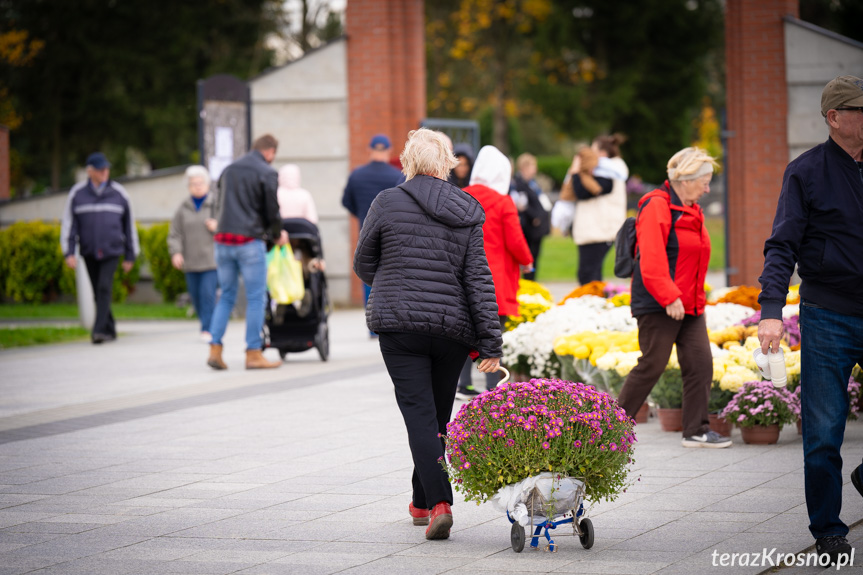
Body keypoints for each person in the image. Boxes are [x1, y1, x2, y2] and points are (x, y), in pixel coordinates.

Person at [353, 128, 503, 540]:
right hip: (452, 330)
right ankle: (421, 503)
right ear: (447, 164)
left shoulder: (387, 201)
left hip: (400, 326)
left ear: (407, 161)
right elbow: (478, 280)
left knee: (420, 416)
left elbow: (363, 261)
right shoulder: (467, 208)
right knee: (437, 417)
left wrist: (389, 280)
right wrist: (489, 343)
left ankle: (438, 502)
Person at [757, 75, 863, 566]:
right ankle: (829, 530)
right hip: (827, 315)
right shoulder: (806, 172)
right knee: (823, 433)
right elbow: (782, 245)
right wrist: (772, 312)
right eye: (859, 110)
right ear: (834, 118)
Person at [615, 147, 730, 449]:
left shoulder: (691, 209)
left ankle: (696, 430)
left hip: (689, 304)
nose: (708, 188)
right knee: (652, 364)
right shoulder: (657, 205)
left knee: (700, 364)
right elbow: (651, 259)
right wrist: (669, 297)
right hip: (658, 303)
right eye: (704, 181)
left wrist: (691, 299)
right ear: (685, 179)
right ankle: (609, 429)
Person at [456, 146, 533, 399]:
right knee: (493, 333)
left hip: (463, 275)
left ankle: (464, 383)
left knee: (466, 331)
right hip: (495, 278)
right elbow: (515, 241)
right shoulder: (503, 202)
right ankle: (492, 386)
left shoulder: (462, 195)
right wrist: (527, 261)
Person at [207, 134, 288, 371]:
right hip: (248, 242)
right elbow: (272, 210)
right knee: (256, 297)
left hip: (222, 240)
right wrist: (277, 234)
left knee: (227, 296)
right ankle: (253, 353)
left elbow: (220, 203)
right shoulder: (267, 172)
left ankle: (215, 348)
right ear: (271, 152)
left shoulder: (229, 170)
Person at [60, 152, 139, 344]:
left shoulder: (119, 193)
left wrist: (130, 255)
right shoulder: (77, 194)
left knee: (104, 287)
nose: (104, 172)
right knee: (98, 291)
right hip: (89, 251)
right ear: (90, 171)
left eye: (106, 168)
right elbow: (69, 225)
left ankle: (98, 330)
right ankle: (110, 329)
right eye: (100, 169)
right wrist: (69, 252)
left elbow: (129, 226)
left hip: (112, 250)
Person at [341, 134, 404, 315]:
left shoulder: (356, 176)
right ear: (389, 150)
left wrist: (362, 215)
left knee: (368, 273)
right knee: (392, 273)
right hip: (392, 232)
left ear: (369, 150)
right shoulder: (396, 176)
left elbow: (346, 202)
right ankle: (390, 315)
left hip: (366, 230)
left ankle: (372, 321)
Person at [562, 135, 629, 285]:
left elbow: (582, 192)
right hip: (599, 229)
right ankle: (595, 304)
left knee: (588, 275)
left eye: (593, 149)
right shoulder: (610, 169)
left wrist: (575, 172)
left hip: (598, 230)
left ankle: (592, 305)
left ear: (603, 153)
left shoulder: (606, 170)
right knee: (592, 273)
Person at [168, 165, 219, 343]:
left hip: (211, 261)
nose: (197, 186)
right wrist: (176, 253)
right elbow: (175, 233)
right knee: (196, 297)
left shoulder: (215, 204)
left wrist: (217, 227)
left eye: (200, 183)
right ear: (188, 186)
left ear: (207, 184)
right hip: (190, 261)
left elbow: (229, 229)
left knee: (208, 295)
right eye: (193, 183)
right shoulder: (183, 208)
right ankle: (206, 325)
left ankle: (208, 329)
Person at [512, 153, 550, 280]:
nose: (535, 169)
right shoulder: (519, 184)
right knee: (528, 258)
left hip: (537, 230)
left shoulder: (532, 183)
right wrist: (535, 216)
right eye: (533, 166)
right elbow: (521, 205)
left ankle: (532, 282)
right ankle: (528, 282)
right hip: (528, 228)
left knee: (535, 257)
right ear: (524, 167)